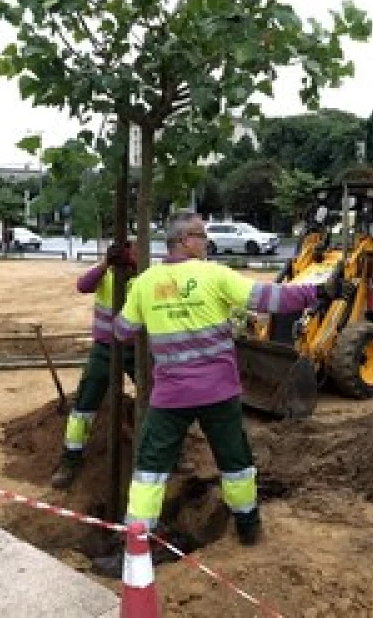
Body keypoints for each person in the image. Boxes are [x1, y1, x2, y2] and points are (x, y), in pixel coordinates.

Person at [93, 210, 349, 576]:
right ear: (184, 241)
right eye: (200, 234)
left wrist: (133, 300)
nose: (205, 241)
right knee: (236, 462)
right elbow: (269, 299)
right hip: (219, 392)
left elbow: (121, 331)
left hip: (171, 397)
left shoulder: (147, 282)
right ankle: (248, 528)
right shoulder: (214, 274)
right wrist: (317, 292)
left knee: (150, 470)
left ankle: (135, 545)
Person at [50, 239, 140, 489]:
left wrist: (137, 269)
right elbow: (82, 285)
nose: (132, 255)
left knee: (158, 400)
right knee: (84, 406)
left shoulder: (145, 278)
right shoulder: (106, 274)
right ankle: (71, 459)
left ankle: (173, 455)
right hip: (104, 349)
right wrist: (105, 265)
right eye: (128, 251)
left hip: (137, 351)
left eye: (134, 250)